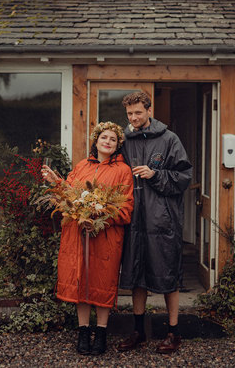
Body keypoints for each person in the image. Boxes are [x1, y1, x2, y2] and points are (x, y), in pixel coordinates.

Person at [42, 121, 134, 356]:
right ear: (96, 140)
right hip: (78, 234)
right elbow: (70, 193)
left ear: (118, 145)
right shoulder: (82, 165)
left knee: (103, 282)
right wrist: (56, 181)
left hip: (105, 235)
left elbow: (126, 208)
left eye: (113, 139)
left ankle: (101, 333)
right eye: (104, 137)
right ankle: (83, 333)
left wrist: (100, 215)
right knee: (81, 280)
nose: (108, 142)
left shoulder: (123, 171)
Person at [117, 91, 192, 355]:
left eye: (138, 112)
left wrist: (155, 174)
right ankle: (138, 331)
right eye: (129, 114)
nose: (134, 118)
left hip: (162, 221)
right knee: (137, 275)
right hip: (133, 220)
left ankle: (174, 332)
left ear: (149, 110)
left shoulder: (170, 139)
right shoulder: (124, 141)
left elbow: (184, 177)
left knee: (168, 275)